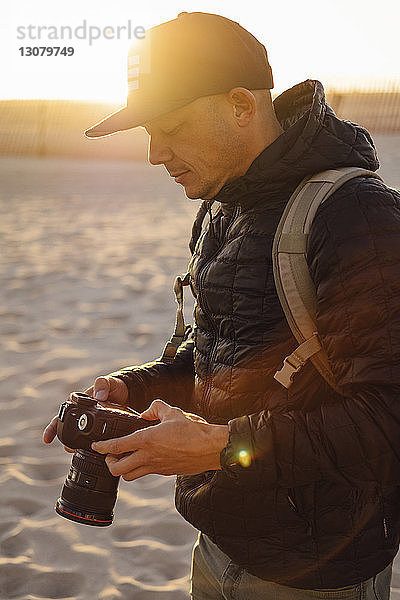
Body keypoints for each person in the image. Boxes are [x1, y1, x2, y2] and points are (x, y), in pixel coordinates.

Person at [43, 11, 400, 600]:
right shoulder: (225, 206)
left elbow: (387, 421)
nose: (156, 154)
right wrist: (135, 389)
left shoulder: (355, 215)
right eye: (147, 133)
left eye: (174, 127)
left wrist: (216, 444)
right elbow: (220, 358)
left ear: (241, 105)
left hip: (316, 572)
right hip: (219, 542)